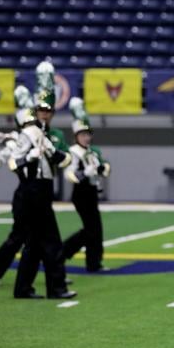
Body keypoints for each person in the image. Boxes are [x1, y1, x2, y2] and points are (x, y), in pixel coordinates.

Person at [6, 106, 75, 299]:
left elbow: (60, 159)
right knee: (52, 242)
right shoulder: (29, 134)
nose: (45, 115)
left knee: (34, 245)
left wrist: (57, 154)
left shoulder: (41, 134)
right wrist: (29, 157)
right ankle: (56, 288)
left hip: (41, 189)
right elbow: (13, 163)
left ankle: (23, 288)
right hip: (34, 190)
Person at [0, 86, 31, 287]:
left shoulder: (31, 137)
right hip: (25, 192)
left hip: (34, 191)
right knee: (22, 236)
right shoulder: (15, 141)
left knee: (31, 236)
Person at [62, 97, 111, 272]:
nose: (87, 137)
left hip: (91, 192)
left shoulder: (91, 152)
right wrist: (83, 174)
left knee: (96, 230)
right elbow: (69, 174)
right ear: (76, 136)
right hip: (81, 194)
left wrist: (102, 168)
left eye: (88, 134)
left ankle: (93, 263)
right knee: (91, 230)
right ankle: (63, 252)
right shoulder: (73, 152)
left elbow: (103, 168)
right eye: (83, 134)